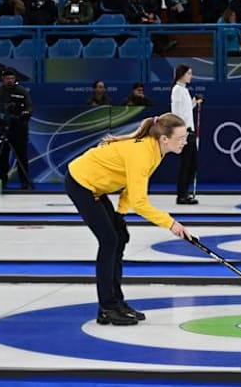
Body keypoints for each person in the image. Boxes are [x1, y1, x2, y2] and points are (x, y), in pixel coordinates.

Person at [65, 113, 190, 325]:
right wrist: (171, 223)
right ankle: (107, 307)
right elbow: (140, 202)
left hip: (96, 186)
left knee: (119, 237)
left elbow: (131, 188)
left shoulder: (155, 151)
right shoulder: (143, 152)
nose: (185, 142)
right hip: (81, 183)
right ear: (164, 139)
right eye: (181, 138)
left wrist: (120, 214)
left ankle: (117, 302)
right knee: (109, 241)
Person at [171, 65, 203, 205]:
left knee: (192, 164)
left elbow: (185, 110)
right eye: (189, 73)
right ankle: (181, 195)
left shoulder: (184, 90)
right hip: (184, 133)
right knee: (186, 164)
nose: (191, 76)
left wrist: (195, 102)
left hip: (189, 131)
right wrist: (180, 134)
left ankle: (185, 192)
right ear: (182, 74)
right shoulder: (177, 90)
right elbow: (176, 113)